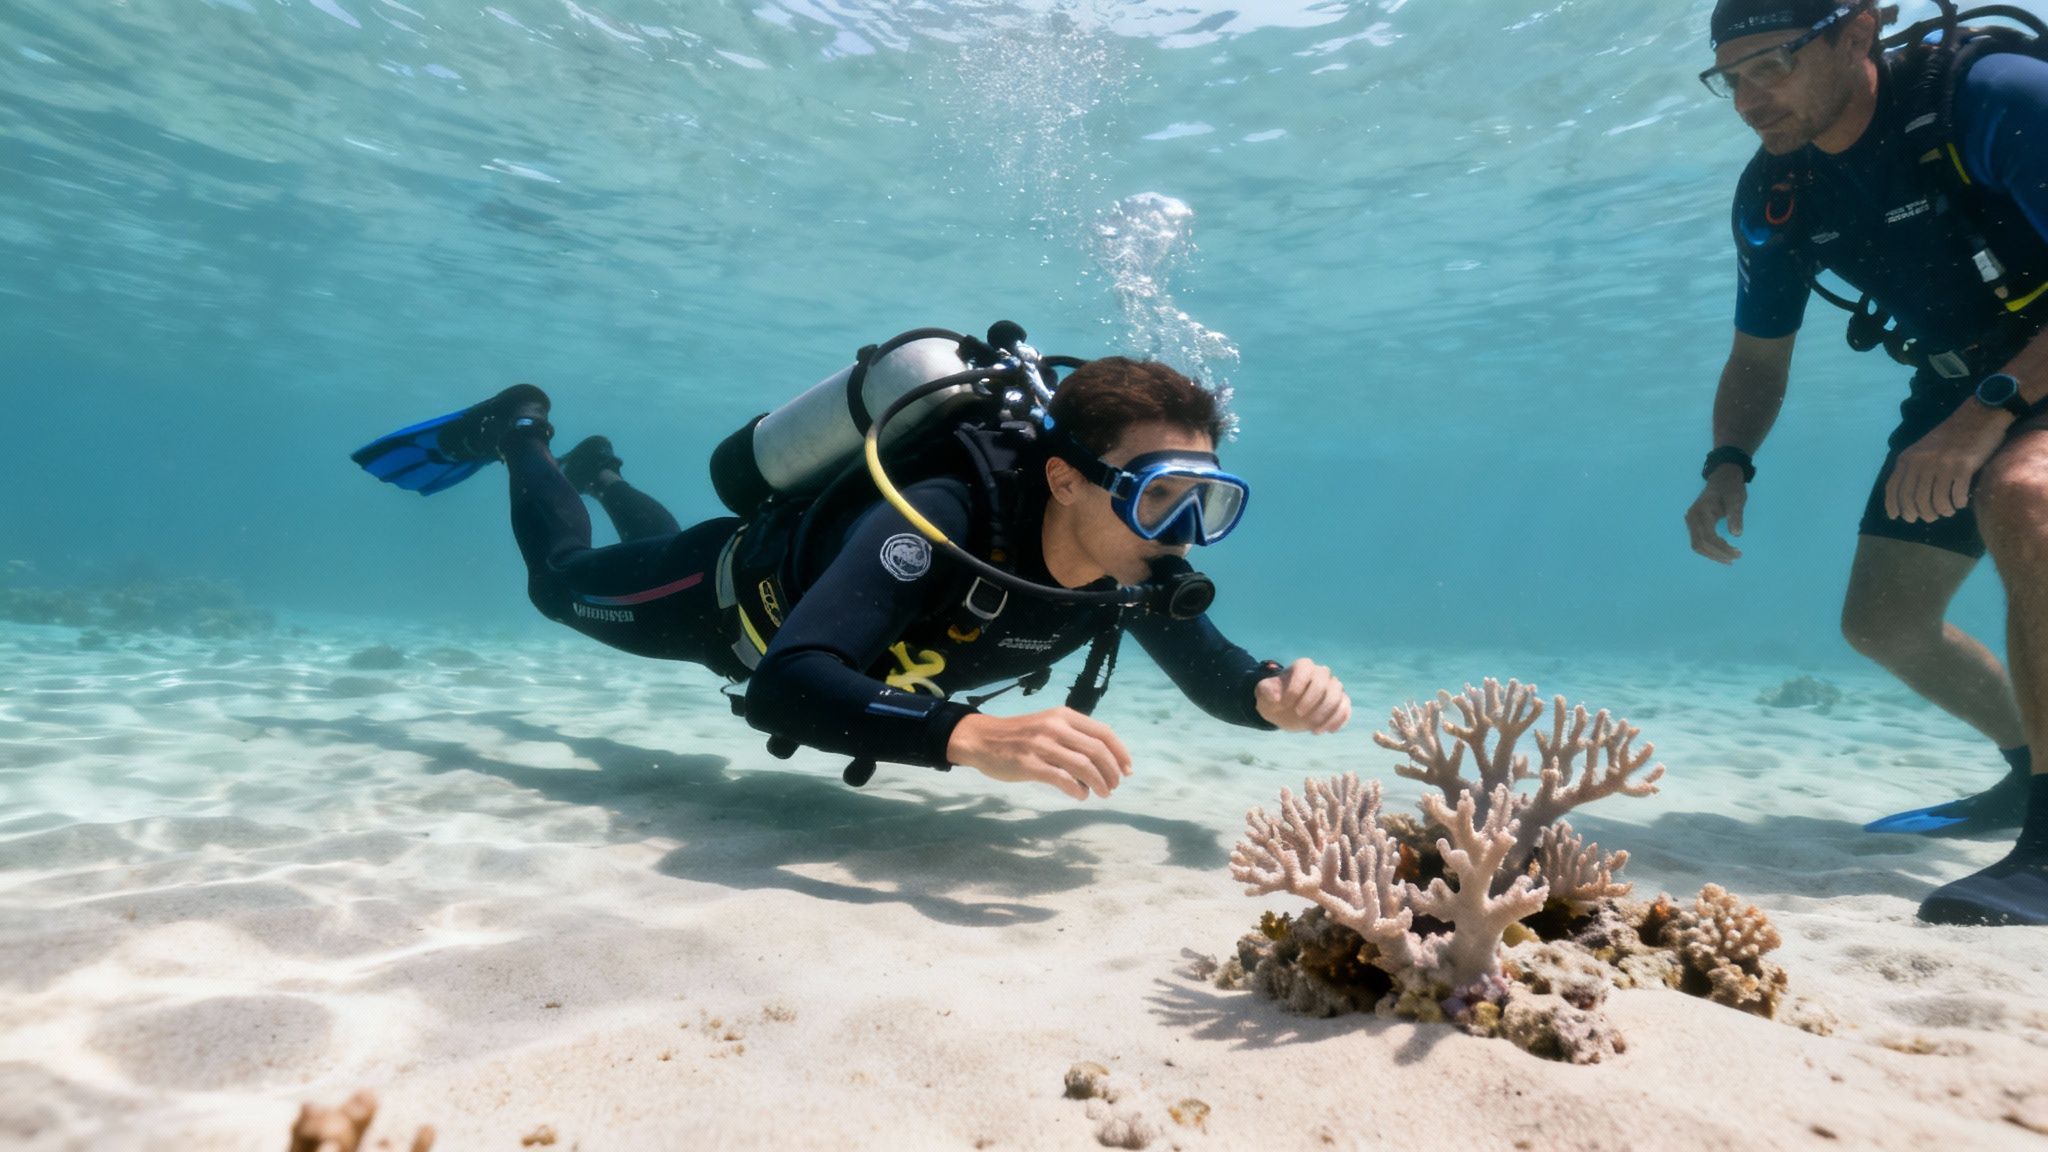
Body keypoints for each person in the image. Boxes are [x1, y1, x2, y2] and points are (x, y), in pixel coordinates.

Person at [353, 349, 1352, 802]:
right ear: (1062, 477)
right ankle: (517, 432)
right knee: (559, 582)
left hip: (757, 602)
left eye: (1206, 503)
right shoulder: (940, 520)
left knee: (627, 538)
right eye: (1156, 494)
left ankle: (605, 476)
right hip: (719, 603)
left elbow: (1222, 676)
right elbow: (788, 685)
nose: (1180, 530)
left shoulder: (1128, 567)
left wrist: (1275, 694)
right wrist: (967, 735)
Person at [1684, 0, 2048, 922]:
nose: (1751, 98)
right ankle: (2025, 767)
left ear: (1860, 32)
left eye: (1774, 63)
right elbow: (1758, 356)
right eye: (1732, 77)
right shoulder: (1776, 194)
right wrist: (1729, 461)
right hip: (1963, 384)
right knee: (1885, 622)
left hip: (2005, 385)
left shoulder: (1995, 99)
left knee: (2022, 492)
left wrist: (1981, 420)